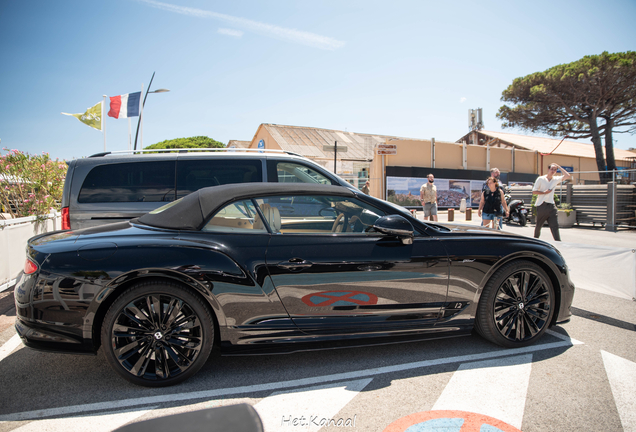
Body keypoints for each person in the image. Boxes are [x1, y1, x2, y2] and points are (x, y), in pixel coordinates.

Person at [532, 163, 571, 241]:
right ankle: (535, 240)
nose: (553, 171)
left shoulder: (555, 179)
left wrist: (559, 167)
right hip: (542, 205)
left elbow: (567, 175)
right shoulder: (541, 179)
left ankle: (558, 242)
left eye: (555, 169)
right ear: (548, 169)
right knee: (539, 225)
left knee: (555, 225)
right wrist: (544, 192)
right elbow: (534, 191)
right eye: (552, 169)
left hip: (551, 205)